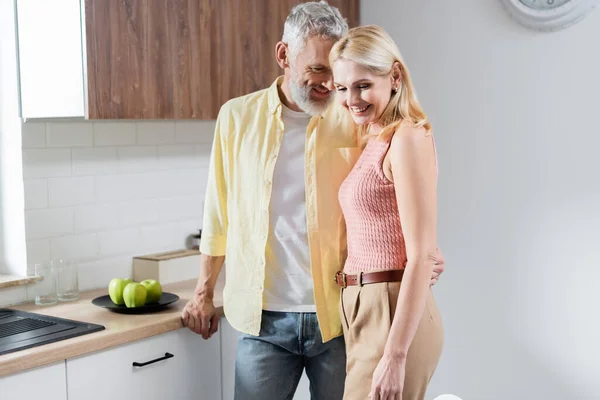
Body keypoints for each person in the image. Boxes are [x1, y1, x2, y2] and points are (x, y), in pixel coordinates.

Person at [181, 2, 444, 399]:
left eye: (339, 75)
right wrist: (203, 291)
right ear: (284, 55)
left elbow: (389, 196)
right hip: (262, 321)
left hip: (338, 317)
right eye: (320, 70)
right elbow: (218, 213)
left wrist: (423, 256)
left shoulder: (355, 117)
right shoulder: (237, 118)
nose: (332, 86)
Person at [330, 25, 445, 400]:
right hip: (365, 308)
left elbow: (422, 253)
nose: (351, 99)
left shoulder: (407, 137)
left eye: (363, 85)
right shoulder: (375, 136)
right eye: (342, 88)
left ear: (394, 77)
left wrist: (395, 356)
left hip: (390, 312)